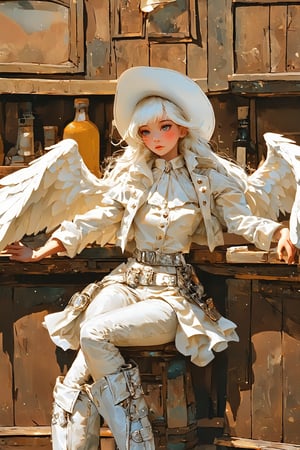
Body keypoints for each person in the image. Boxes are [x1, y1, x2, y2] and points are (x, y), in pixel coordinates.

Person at [4, 66, 296, 450]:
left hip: (172, 294)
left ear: (182, 128)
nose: (156, 138)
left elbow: (240, 219)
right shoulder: (133, 177)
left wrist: (277, 232)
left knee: (94, 335)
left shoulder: (208, 179)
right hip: (126, 281)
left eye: (164, 128)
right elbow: (96, 219)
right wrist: (45, 248)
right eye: (146, 132)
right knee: (79, 373)